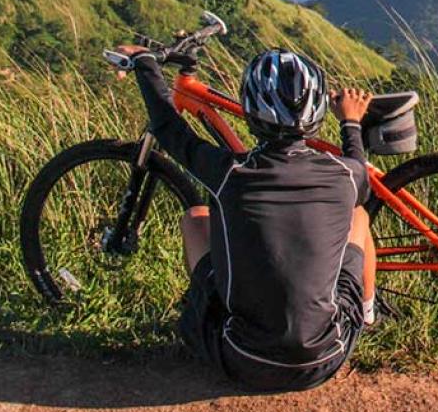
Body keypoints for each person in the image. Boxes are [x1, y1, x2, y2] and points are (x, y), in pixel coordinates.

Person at [116, 44, 377, 393]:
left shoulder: (228, 172)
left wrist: (145, 62)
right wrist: (350, 121)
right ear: (316, 114)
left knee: (196, 218)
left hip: (242, 359)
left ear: (251, 113)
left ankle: (209, 313)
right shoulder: (345, 174)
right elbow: (359, 168)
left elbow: (167, 124)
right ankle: (368, 314)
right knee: (358, 216)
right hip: (325, 358)